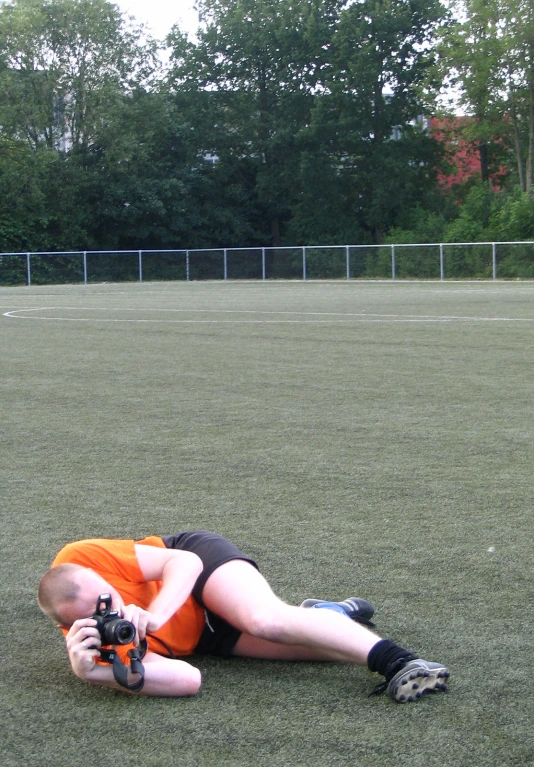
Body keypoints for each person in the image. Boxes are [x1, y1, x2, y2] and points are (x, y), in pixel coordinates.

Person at [38, 530, 450, 702]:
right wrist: (92, 673)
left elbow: (182, 562)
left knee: (264, 620)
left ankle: (401, 662)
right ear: (72, 625)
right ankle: (328, 613)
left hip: (199, 570)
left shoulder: (79, 558)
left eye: (108, 598)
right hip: (204, 637)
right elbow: (188, 679)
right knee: (322, 648)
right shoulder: (98, 645)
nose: (111, 612)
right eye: (96, 614)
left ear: (96, 577)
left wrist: (157, 613)